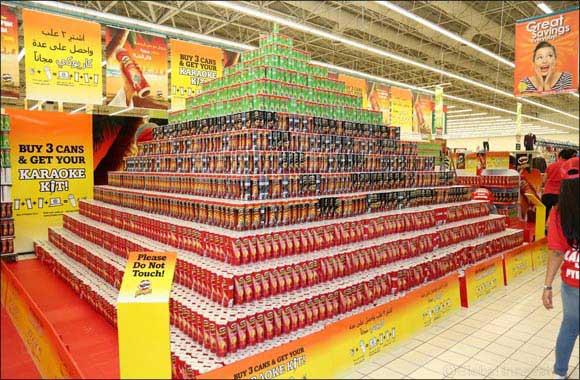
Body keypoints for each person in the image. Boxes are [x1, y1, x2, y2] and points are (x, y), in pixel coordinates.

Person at [542, 156, 579, 380]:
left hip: (572, 282)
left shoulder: (557, 212)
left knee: (570, 326)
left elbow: (556, 252)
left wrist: (547, 286)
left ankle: (559, 374)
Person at [542, 149, 577, 220]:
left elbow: (543, 181)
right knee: (561, 217)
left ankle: (542, 229)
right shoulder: (569, 166)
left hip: (547, 193)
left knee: (543, 214)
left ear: (560, 156)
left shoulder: (551, 165)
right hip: (561, 194)